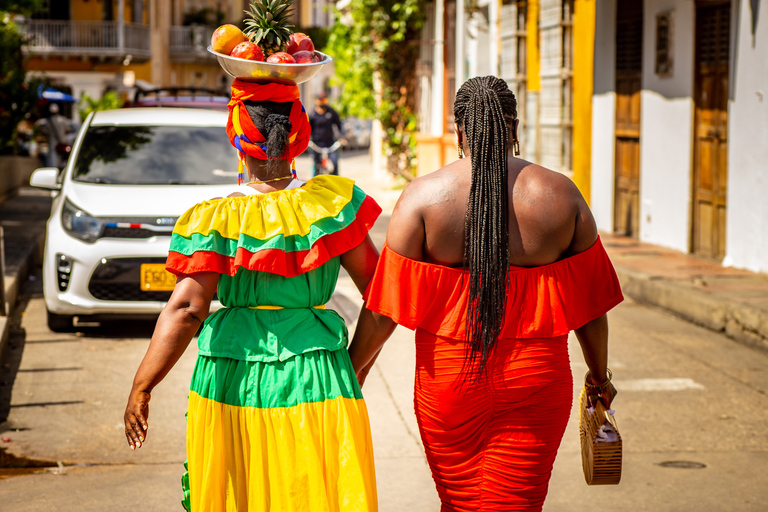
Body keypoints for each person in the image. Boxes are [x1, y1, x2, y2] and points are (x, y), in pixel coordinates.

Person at [351, 76, 624, 511]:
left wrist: (352, 372)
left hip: (448, 382)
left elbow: (384, 310)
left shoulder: (422, 197)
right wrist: (599, 376)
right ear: (515, 128)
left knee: (458, 502)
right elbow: (589, 308)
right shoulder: (561, 195)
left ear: (459, 131)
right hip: (536, 383)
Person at [123, 79, 391, 511]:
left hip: (233, 378)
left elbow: (187, 308)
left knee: (240, 494)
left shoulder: (216, 219)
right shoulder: (331, 206)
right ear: (300, 138)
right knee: (313, 493)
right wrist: (351, 365)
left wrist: (142, 386)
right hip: (318, 377)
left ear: (237, 141)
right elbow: (384, 297)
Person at [308, 91, 345, 176]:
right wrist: (306, 140)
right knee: (316, 165)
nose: (322, 102)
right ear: (316, 101)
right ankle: (314, 182)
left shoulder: (331, 112)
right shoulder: (312, 114)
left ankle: (335, 182)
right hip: (316, 144)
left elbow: (339, 125)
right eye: (320, 100)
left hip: (330, 143)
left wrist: (342, 137)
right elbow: (307, 128)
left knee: (334, 164)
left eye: (324, 100)